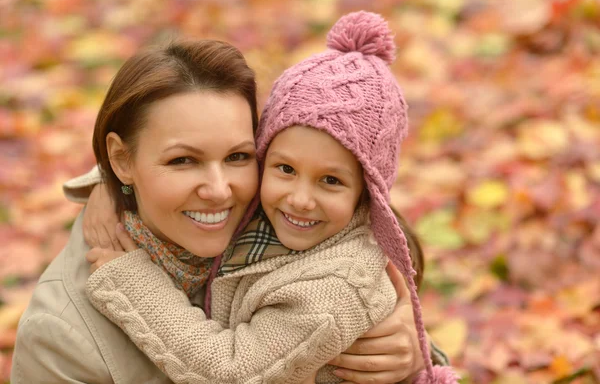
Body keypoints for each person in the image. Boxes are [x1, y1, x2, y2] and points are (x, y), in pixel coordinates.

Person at [11, 37, 436, 384]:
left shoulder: (290, 227)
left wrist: (414, 355)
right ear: (122, 160)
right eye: (183, 161)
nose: (219, 191)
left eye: (237, 156)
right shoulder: (62, 334)